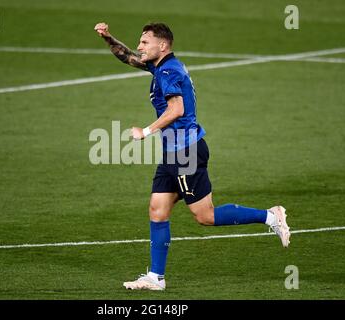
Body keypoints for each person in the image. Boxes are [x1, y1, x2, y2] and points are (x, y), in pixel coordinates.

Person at [94, 22, 290, 291]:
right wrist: (107, 38)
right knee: (157, 210)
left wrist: (146, 132)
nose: (140, 47)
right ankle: (156, 278)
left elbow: (176, 109)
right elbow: (128, 57)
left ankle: (271, 216)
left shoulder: (169, 71)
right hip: (173, 152)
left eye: (145, 42)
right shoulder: (161, 65)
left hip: (186, 152)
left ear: (162, 46)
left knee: (204, 216)